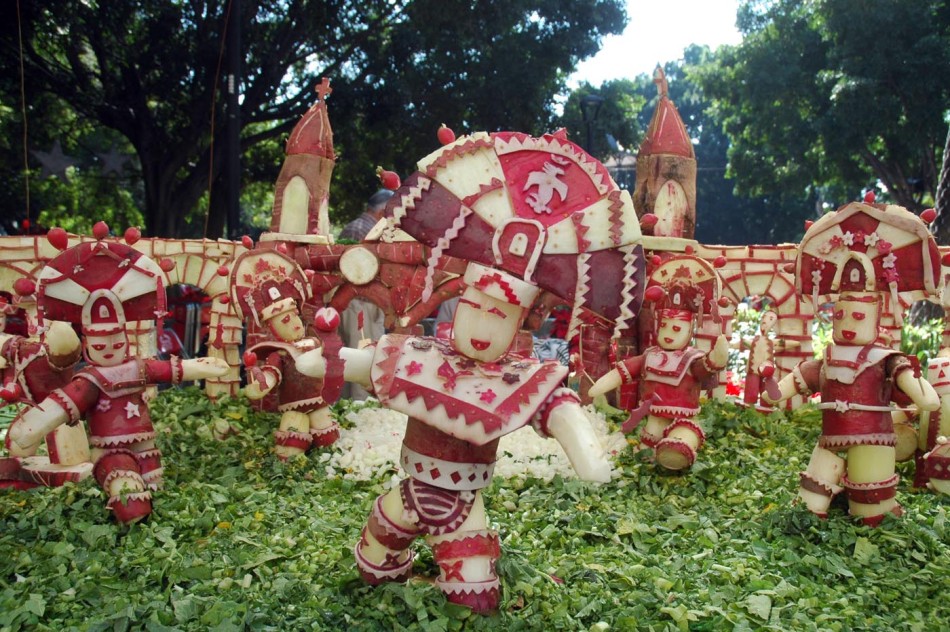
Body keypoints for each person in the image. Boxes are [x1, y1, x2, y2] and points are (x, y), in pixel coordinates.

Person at [295, 262, 611, 613]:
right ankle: (387, 580)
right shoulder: (421, 356)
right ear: (460, 306)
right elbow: (368, 363)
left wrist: (580, 441)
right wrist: (328, 360)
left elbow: (554, 405)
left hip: (463, 508)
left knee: (472, 599)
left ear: (517, 324)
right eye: (474, 309)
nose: (482, 327)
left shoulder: (517, 378)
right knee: (375, 567)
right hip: (406, 494)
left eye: (499, 316)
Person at [338, 190, 391, 399]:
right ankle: (358, 413)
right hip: (359, 305)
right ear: (382, 212)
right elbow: (358, 274)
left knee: (356, 360)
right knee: (362, 362)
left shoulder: (357, 227)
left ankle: (352, 408)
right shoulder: (365, 230)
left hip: (357, 305)